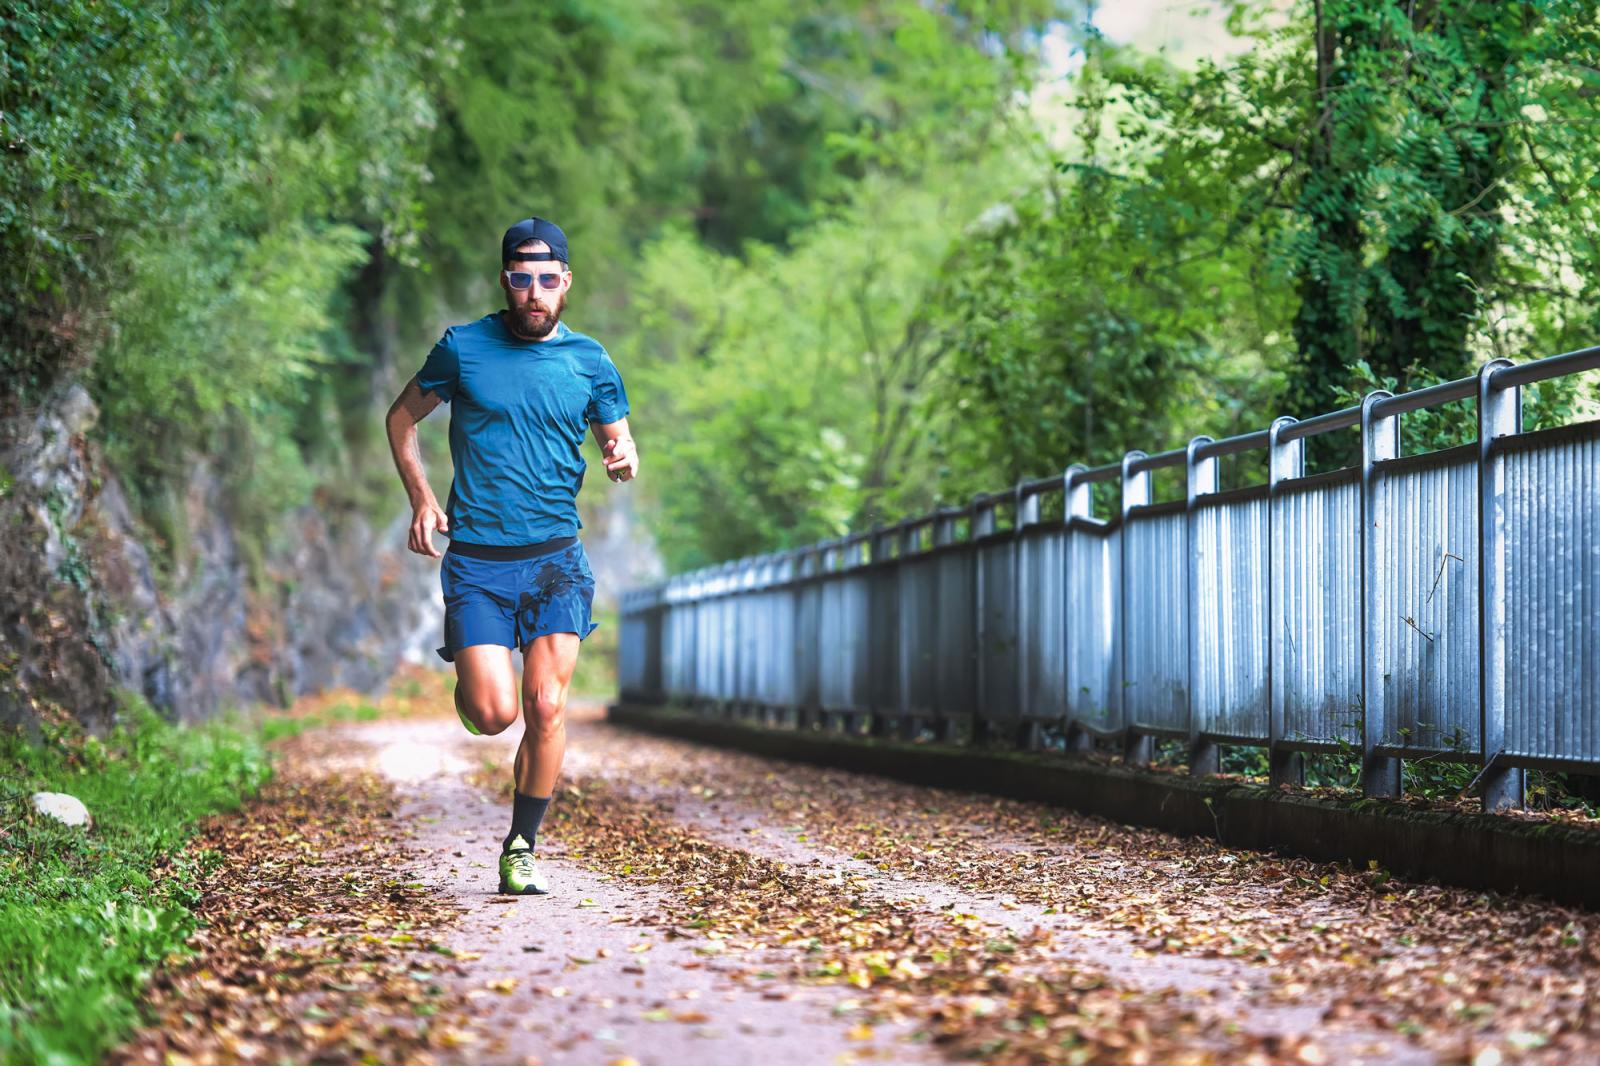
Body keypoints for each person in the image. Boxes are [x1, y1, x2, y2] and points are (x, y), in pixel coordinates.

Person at [384, 216, 638, 896]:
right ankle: (473, 682)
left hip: (556, 560)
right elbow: (401, 419)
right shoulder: (463, 350)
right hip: (478, 563)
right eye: (522, 279)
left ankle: (521, 844)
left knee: (547, 708)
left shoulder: (590, 361)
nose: (534, 293)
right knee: (496, 714)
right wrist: (421, 497)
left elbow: (620, 438)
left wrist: (623, 453)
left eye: (547, 281)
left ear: (566, 283)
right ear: (505, 279)